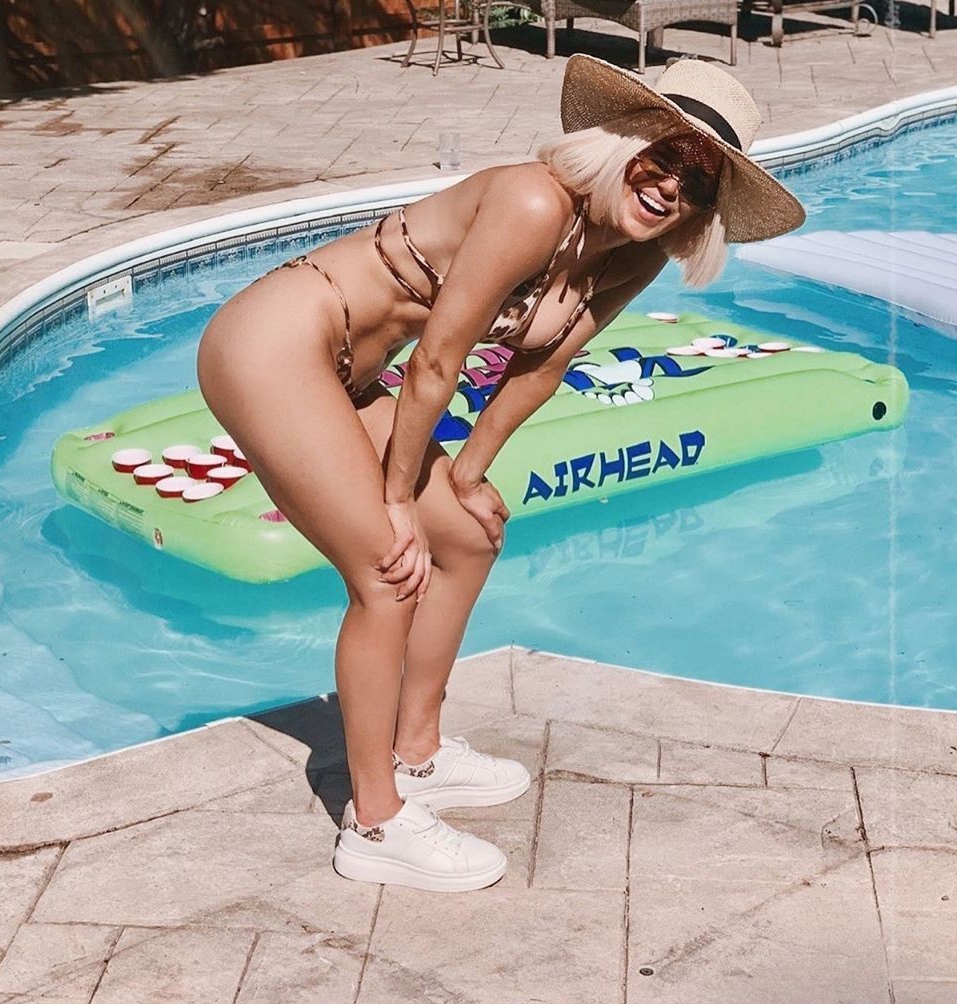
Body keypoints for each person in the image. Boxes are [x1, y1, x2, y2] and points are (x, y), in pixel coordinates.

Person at [196, 54, 805, 892]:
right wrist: (398, 498)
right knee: (389, 569)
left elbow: (543, 366)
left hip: (351, 376)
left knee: (469, 538)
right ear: (624, 142)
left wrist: (469, 475)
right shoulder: (533, 202)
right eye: (665, 158)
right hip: (276, 341)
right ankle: (375, 824)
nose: (671, 188)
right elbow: (438, 359)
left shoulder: (634, 252)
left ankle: (417, 753)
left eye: (698, 183)